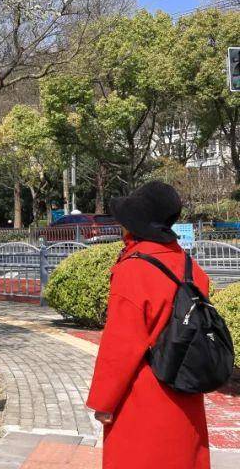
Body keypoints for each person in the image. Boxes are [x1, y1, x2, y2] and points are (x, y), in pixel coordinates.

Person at [87, 181, 210, 469]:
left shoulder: (134, 270)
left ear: (133, 226)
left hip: (144, 399)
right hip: (186, 391)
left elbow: (121, 346)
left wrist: (104, 402)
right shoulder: (191, 267)